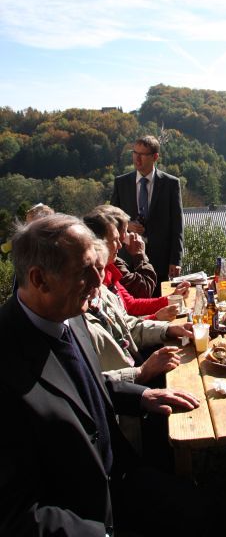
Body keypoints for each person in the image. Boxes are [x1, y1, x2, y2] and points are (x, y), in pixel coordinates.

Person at [0, 213, 200, 535]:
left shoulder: (69, 313)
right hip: (82, 517)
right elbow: (16, 514)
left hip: (120, 479)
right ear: (39, 279)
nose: (99, 280)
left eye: (97, 265)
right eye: (84, 271)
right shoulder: (8, 362)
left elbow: (83, 383)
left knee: (194, 505)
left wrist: (142, 395)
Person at [86, 239, 190, 384]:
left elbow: (129, 327)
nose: (96, 279)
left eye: (99, 269)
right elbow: (94, 382)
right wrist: (142, 372)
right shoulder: (72, 320)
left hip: (136, 370)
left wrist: (169, 329)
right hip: (126, 387)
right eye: (116, 238)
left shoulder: (103, 292)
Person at [111, 135, 184, 294]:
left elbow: (177, 225)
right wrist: (127, 225)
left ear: (155, 157)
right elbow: (111, 219)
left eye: (142, 154)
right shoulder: (121, 183)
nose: (137, 158)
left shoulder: (170, 184)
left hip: (160, 261)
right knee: (131, 305)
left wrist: (175, 259)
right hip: (127, 262)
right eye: (134, 153)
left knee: (161, 305)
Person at [83, 210, 189, 319]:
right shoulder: (100, 275)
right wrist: (156, 317)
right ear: (99, 243)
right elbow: (143, 290)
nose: (120, 245)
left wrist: (171, 298)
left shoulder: (109, 268)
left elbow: (130, 304)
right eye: (115, 239)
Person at [92, 204, 157, 298]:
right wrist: (140, 255)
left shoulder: (112, 260)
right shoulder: (110, 263)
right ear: (114, 232)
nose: (129, 235)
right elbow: (143, 290)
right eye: (125, 231)